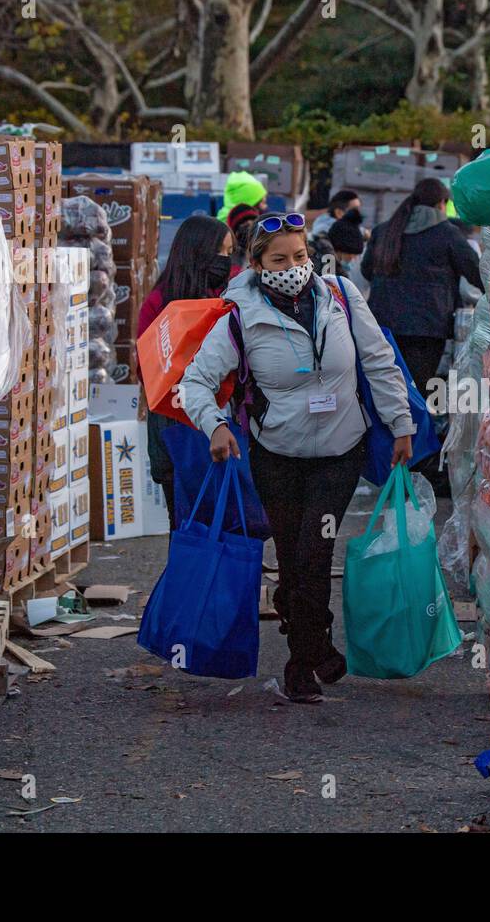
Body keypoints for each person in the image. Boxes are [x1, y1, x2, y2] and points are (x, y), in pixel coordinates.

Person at [180, 212, 415, 703]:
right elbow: (196, 382)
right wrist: (216, 425)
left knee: (315, 548)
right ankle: (307, 632)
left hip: (339, 449)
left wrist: (402, 424)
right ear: (257, 264)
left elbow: (379, 361)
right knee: (292, 557)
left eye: (301, 256)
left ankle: (304, 660)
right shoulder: (238, 314)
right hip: (278, 455)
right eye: (280, 259)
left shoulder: (342, 298)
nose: (294, 266)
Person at [135, 215, 234, 532]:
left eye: (231, 252)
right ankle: (191, 579)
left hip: (218, 426)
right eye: (222, 252)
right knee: (184, 523)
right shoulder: (159, 303)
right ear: (199, 252)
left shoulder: (228, 300)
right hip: (174, 429)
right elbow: (146, 370)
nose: (227, 261)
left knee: (219, 519)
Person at [362, 177, 482, 395]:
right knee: (416, 391)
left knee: (384, 390)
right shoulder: (448, 234)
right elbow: (476, 271)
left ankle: (385, 430)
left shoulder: (384, 231)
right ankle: (415, 429)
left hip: (381, 325)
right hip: (426, 330)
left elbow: (366, 270)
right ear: (441, 204)